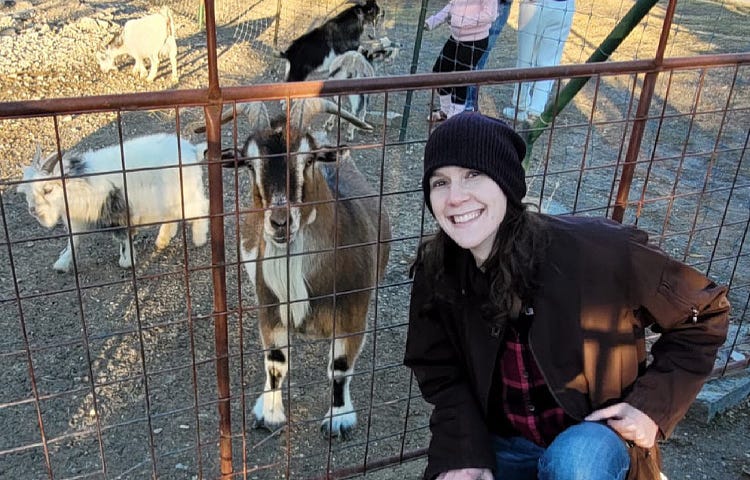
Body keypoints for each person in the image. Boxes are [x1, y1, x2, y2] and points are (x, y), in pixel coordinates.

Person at [404, 112, 730, 480]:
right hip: (504, 442)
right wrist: (463, 452)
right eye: (440, 182)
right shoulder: (438, 271)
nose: (456, 197)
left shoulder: (599, 251)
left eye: (473, 175)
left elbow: (703, 313)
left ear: (506, 183)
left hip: (592, 442)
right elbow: (441, 373)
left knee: (576, 462)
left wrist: (652, 407)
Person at [503, 0, 576, 122]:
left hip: (535, 5)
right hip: (564, 5)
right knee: (549, 61)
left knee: (526, 58)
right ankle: (536, 110)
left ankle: (521, 107)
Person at [425, 0, 498, 121]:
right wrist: (433, 21)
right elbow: (452, 5)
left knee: (460, 78)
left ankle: (455, 117)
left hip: (474, 40)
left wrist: (461, 21)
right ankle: (446, 110)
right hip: (456, 37)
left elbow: (490, 14)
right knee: (440, 70)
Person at [465, 0, 513, 112]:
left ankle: (467, 106)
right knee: (471, 56)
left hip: (495, 6)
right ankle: (464, 104)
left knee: (476, 58)